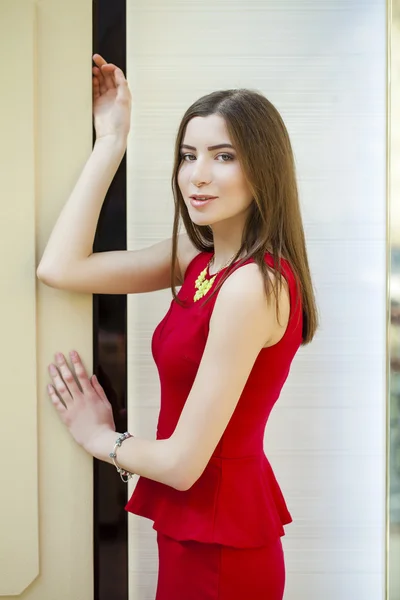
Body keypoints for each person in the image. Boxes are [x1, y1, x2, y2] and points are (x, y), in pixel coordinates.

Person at [37, 53, 318, 600]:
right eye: (189, 155)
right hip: (197, 535)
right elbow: (60, 268)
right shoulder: (199, 259)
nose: (198, 174)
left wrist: (100, 436)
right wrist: (111, 141)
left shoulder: (252, 286)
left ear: (264, 169)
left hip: (223, 552)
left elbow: (183, 464)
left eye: (224, 156)